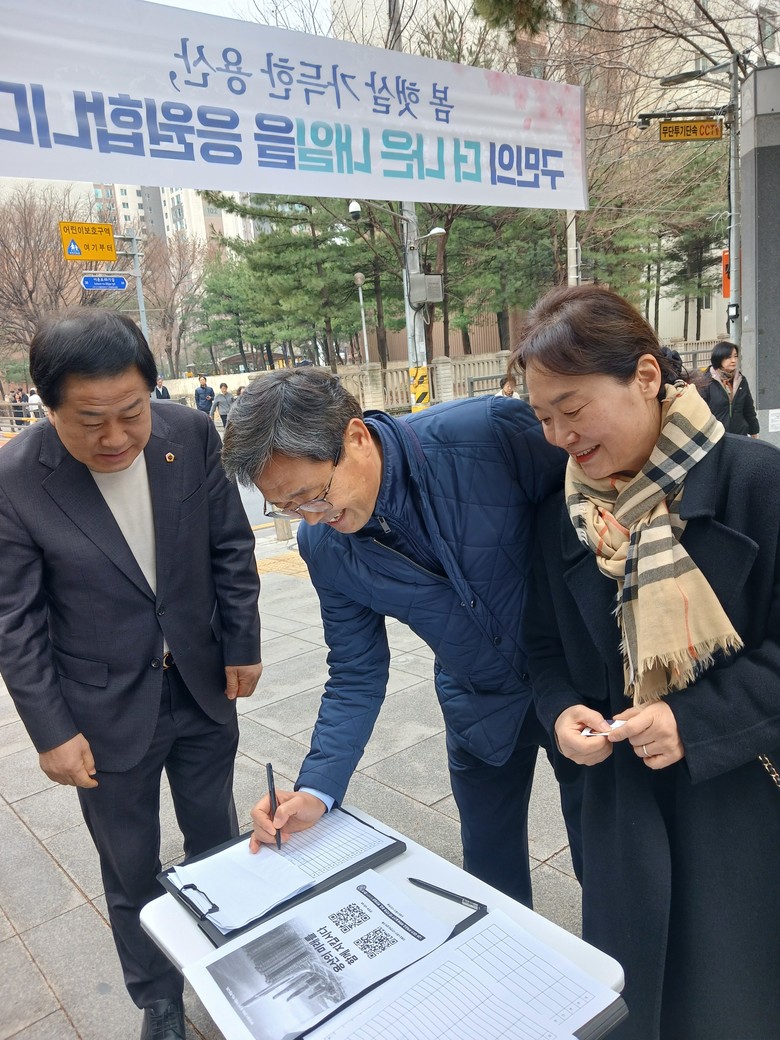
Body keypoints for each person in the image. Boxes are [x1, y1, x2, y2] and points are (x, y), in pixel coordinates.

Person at [513, 284, 780, 1040]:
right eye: (542, 418)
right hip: (621, 815)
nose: (559, 435)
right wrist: (559, 712)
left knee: (733, 1000)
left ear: (646, 375)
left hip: (741, 806)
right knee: (635, 1002)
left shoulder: (757, 483)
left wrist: (692, 721)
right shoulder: (563, 515)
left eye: (572, 408)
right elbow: (542, 648)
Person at [221, 367, 583, 908]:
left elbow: (594, 506)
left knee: (603, 859)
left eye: (311, 496)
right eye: (288, 508)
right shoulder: (325, 548)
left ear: (355, 437)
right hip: (477, 703)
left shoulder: (488, 433)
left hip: (578, 687)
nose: (311, 519)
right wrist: (316, 789)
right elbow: (356, 671)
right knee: (489, 875)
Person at [0, 311, 263, 1040]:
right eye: (91, 421)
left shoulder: (190, 434)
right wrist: (51, 732)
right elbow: (14, 619)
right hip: (102, 709)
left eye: (131, 412)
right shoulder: (16, 480)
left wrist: (241, 642)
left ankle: (224, 970)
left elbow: (230, 547)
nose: (116, 437)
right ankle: (159, 998)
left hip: (202, 685)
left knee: (217, 839)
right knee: (131, 864)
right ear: (48, 407)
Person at [698, 340, 759, 437]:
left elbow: (748, 409)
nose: (733, 360)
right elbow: (700, 412)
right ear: (719, 358)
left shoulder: (741, 380)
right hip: (715, 437)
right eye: (729, 357)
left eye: (735, 356)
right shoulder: (706, 381)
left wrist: (754, 431)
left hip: (739, 435)